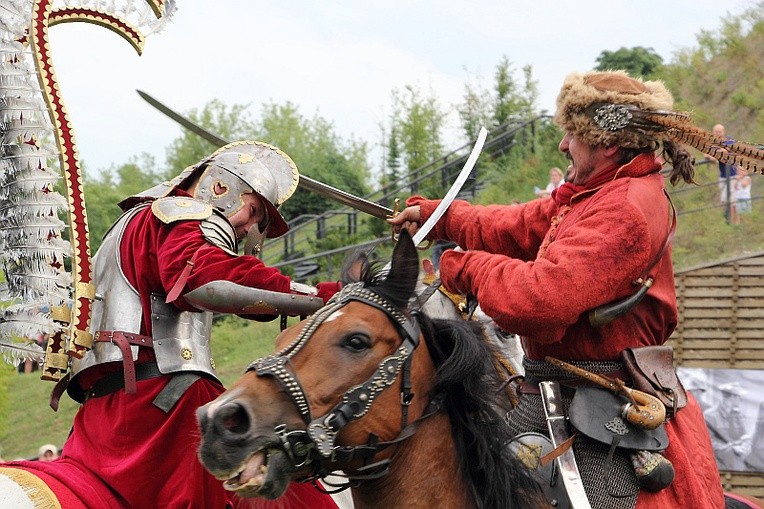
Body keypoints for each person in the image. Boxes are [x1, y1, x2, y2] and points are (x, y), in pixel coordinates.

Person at [390, 70, 727, 509]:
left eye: (573, 134)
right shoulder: (596, 193)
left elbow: (539, 302)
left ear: (607, 143)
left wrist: (463, 265)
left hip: (606, 404)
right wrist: (441, 217)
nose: (563, 145)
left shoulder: (624, 209)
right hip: (557, 392)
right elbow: (518, 224)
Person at [3, 141, 342, 508]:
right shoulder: (181, 216)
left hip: (106, 413)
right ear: (220, 187)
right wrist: (327, 296)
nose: (247, 228)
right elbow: (208, 279)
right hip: (166, 405)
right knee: (300, 499)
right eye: (254, 210)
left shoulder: (133, 222)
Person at [705, 124, 739, 222]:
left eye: (719, 132)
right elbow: (707, 154)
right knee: (725, 200)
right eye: (716, 132)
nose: (718, 134)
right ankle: (728, 221)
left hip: (732, 175)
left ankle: (735, 222)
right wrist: (712, 156)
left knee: (732, 201)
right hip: (723, 176)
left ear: (724, 132)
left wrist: (715, 154)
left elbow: (726, 151)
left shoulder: (729, 140)